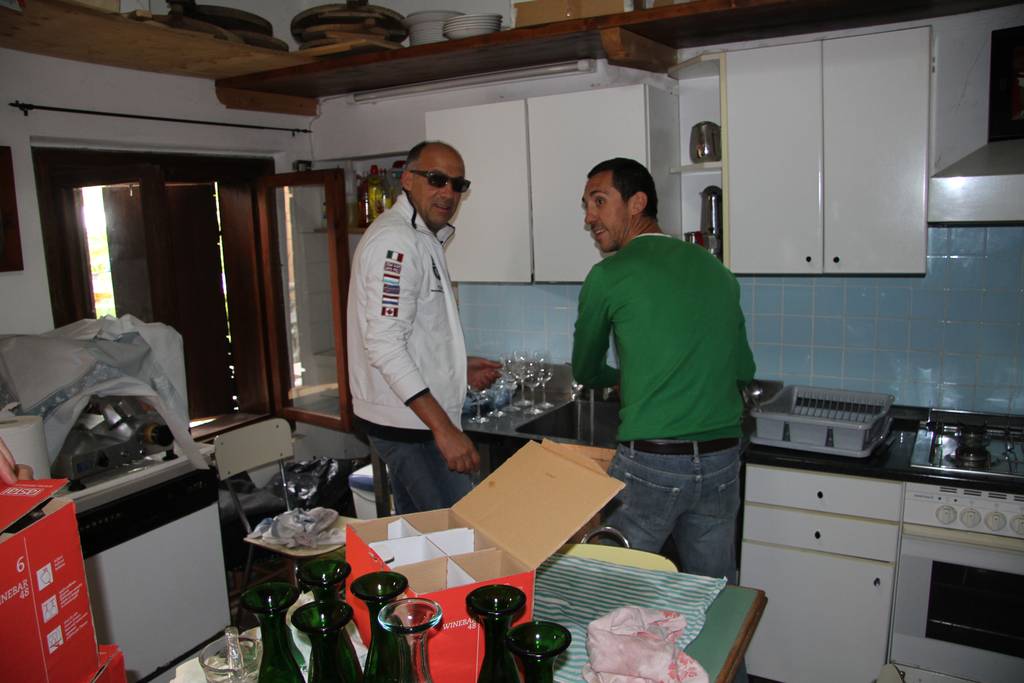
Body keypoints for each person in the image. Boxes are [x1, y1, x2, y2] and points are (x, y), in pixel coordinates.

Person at [571, 157, 755, 583]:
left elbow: (586, 369)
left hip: (653, 464)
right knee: (713, 589)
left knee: (608, 586)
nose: (589, 217)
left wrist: (619, 380)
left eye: (599, 201)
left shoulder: (608, 275)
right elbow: (743, 370)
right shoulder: (717, 271)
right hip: (721, 460)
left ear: (637, 203)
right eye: (587, 205)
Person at [346, 141, 500, 514]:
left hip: (410, 421)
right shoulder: (396, 243)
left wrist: (457, 367)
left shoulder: (421, 238)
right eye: (436, 179)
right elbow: (384, 345)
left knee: (422, 532)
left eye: (457, 185)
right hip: (411, 427)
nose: (448, 192)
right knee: (460, 531)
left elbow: (411, 334)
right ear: (408, 180)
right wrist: (444, 429)